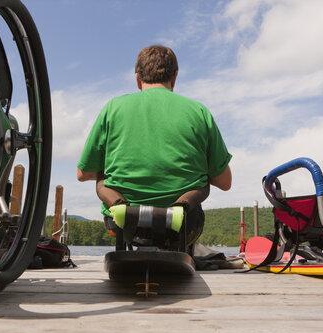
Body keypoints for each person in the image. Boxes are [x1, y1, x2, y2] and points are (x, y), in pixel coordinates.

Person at [77, 45, 232, 247]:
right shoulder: (199, 111)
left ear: (137, 79)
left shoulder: (112, 108)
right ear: (174, 77)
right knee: (201, 181)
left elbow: (83, 174)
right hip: (182, 224)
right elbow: (225, 182)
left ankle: (121, 208)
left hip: (122, 224)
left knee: (102, 177)